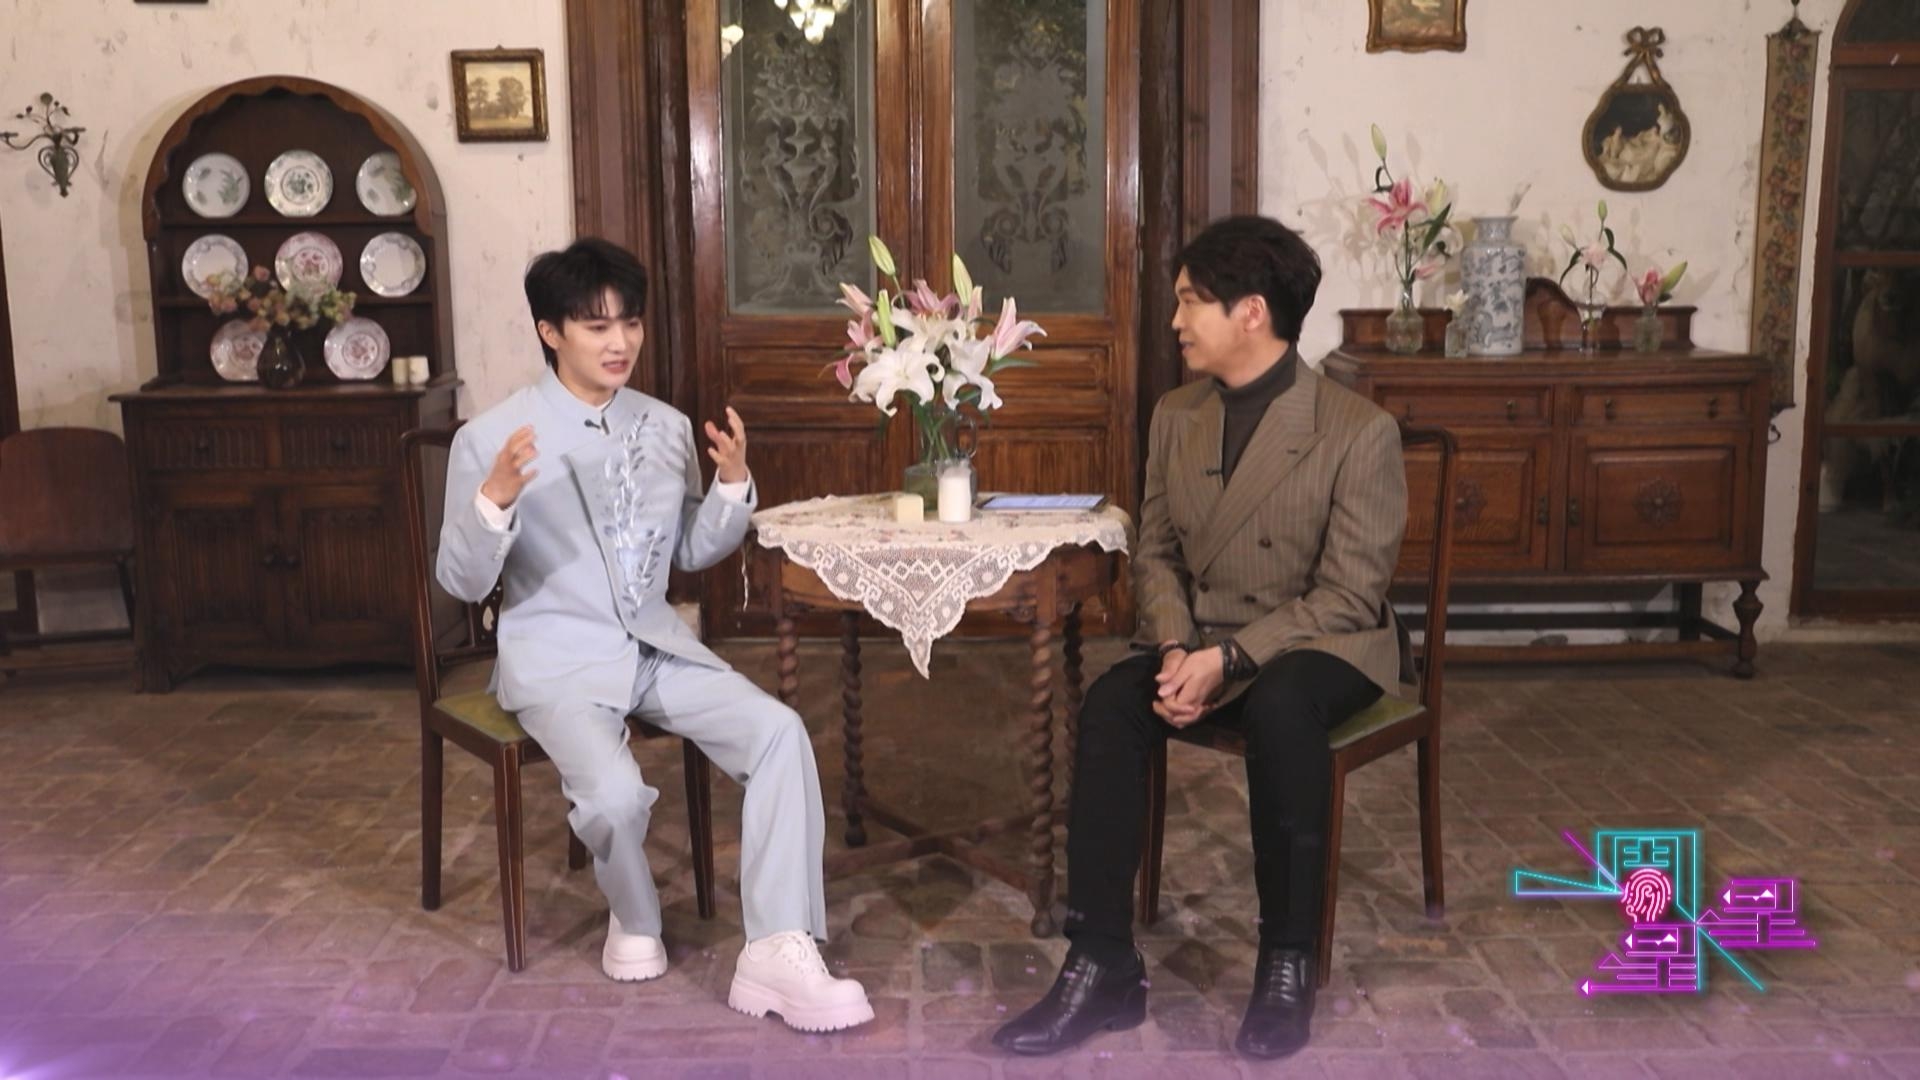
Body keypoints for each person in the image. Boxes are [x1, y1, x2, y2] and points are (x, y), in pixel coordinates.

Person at [992, 215, 1411, 1060]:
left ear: (1251, 312)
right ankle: (1101, 961)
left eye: (1191, 302)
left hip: (1325, 648)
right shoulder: (1176, 415)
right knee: (1112, 703)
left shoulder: (1357, 431)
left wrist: (1231, 657)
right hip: (1204, 639)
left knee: (1283, 708)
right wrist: (1179, 646)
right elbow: (1155, 551)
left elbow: (1348, 596)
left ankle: (1286, 962)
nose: (1176, 320)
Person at [436, 238, 873, 1033]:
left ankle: (778, 946)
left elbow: (690, 552)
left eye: (630, 323)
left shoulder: (665, 427)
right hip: (557, 660)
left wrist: (733, 487)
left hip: (656, 649)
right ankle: (634, 913)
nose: (620, 342)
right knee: (610, 798)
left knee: (779, 733)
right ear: (549, 332)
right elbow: (463, 583)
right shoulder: (491, 438)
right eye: (596, 325)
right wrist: (493, 500)